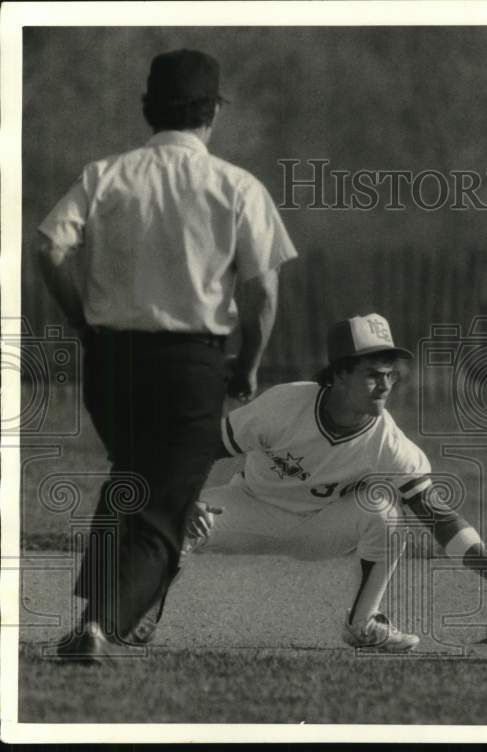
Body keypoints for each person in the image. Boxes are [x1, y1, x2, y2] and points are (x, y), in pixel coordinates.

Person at [37, 49, 298, 661]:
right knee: (165, 506)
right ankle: (101, 626)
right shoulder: (236, 187)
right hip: (190, 362)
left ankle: (94, 611)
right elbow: (263, 293)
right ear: (213, 112)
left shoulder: (105, 175)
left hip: (111, 361)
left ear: (148, 109)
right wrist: (249, 364)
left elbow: (49, 246)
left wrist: (82, 321)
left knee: (129, 475)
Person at [181, 313, 487, 651]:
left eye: (390, 374)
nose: (385, 385)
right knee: (169, 521)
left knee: (385, 512)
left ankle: (363, 623)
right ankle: (135, 614)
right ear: (341, 373)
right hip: (250, 507)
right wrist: (184, 499)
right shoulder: (283, 405)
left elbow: (437, 516)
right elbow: (201, 448)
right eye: (373, 374)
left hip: (321, 526)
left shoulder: (387, 442)